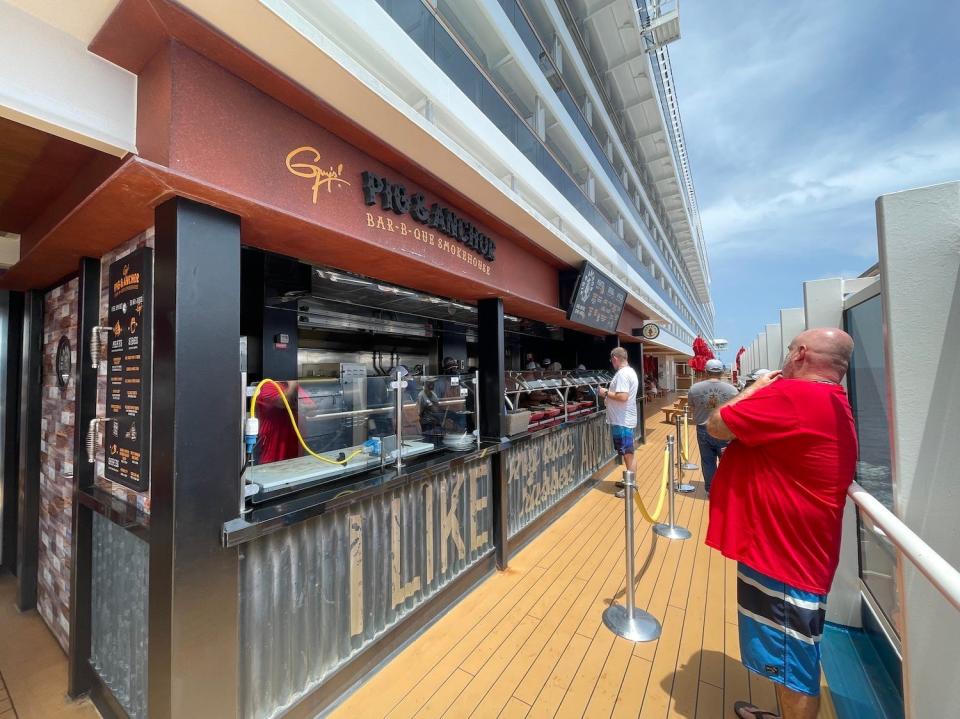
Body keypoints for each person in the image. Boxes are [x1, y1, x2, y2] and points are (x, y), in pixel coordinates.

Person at [704, 328, 857, 719]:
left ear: (801, 353)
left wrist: (754, 388)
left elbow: (717, 425)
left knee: (795, 671)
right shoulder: (832, 398)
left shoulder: (795, 394)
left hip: (785, 558)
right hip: (792, 551)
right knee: (791, 661)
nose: (787, 357)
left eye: (790, 350)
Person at [687, 358, 738, 494]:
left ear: (705, 371)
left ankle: (711, 489)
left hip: (704, 429)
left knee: (707, 461)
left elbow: (692, 407)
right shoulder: (732, 390)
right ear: (721, 372)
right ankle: (726, 489)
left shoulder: (694, 388)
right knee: (726, 461)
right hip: (725, 430)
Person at [599, 347, 639, 499]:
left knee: (628, 454)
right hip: (623, 419)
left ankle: (631, 486)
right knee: (626, 452)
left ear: (615, 358)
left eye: (611, 360)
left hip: (622, 420)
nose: (611, 362)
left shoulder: (623, 374)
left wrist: (604, 393)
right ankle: (628, 480)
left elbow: (623, 396)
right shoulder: (630, 372)